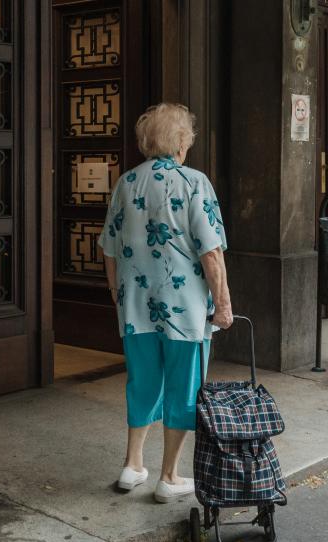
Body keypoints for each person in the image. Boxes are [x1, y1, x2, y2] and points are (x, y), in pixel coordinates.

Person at [97, 103, 233, 503]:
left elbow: (108, 249)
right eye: (187, 139)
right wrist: (222, 305)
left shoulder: (126, 183)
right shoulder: (194, 183)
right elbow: (212, 253)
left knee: (142, 383)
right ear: (179, 143)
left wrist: (118, 295)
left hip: (136, 308)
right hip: (185, 312)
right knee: (183, 387)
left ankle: (132, 465)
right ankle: (169, 476)